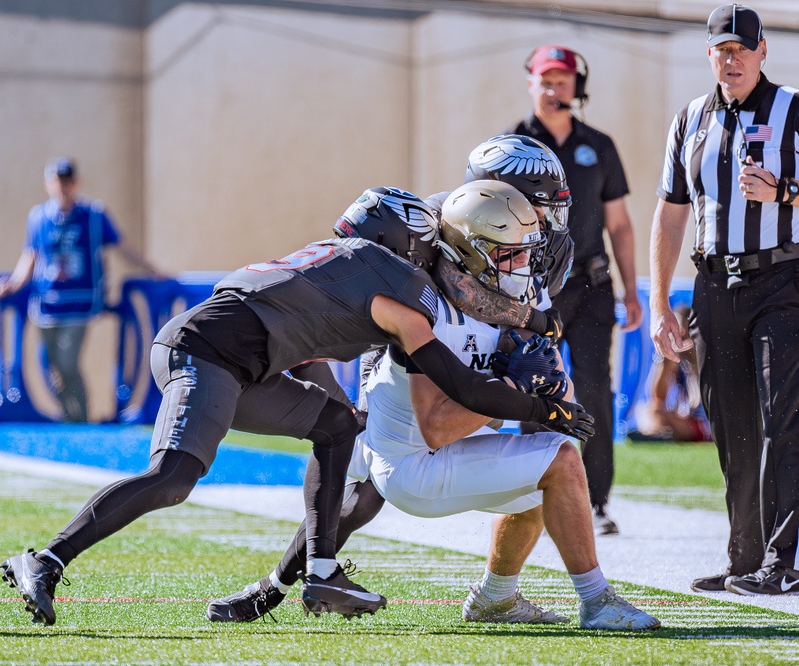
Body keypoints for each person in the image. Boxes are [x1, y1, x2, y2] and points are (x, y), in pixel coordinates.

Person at [0, 186, 592, 626]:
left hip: (237, 356)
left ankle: (318, 574)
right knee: (175, 476)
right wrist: (543, 406)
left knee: (336, 429)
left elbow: (295, 344)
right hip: (208, 357)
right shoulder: (394, 288)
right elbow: (460, 386)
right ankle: (46, 560)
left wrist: (345, 422)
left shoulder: (332, 267)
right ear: (402, 245)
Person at [209, 180, 660, 632]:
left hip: (433, 438)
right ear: (472, 249)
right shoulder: (421, 305)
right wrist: (511, 389)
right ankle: (597, 601)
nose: (525, 264)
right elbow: (437, 427)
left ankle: (495, 599)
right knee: (557, 461)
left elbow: (550, 387)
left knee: (548, 470)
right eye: (512, 252)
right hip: (414, 458)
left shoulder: (515, 292)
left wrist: (535, 387)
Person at [649, 4, 799, 596]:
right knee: (730, 423)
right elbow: (671, 214)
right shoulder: (690, 118)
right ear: (710, 54)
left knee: (783, 417)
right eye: (723, 49)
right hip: (714, 284)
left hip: (784, 281)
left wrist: (787, 191)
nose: (733, 58)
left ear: (763, 50)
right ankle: (745, 558)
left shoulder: (797, 109)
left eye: (743, 48)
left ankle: (789, 562)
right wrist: (662, 300)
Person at [505, 44, 642, 536]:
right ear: (530, 82)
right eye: (545, 79)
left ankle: (596, 502)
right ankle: (529, 493)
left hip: (590, 284)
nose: (553, 88)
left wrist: (631, 289)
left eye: (562, 80)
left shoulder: (599, 145)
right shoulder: (511, 144)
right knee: (531, 385)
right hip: (531, 290)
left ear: (576, 86)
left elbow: (620, 225)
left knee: (594, 391)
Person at [0, 157, 160, 422]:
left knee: (67, 362)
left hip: (81, 302)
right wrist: (13, 283)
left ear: (76, 183)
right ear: (48, 184)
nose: (63, 187)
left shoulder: (93, 215)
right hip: (47, 303)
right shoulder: (38, 217)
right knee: (49, 364)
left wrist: (150, 268)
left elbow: (121, 245)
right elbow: (30, 256)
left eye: (68, 181)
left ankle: (80, 419)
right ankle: (72, 417)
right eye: (58, 182)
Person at [626, 306, 709, 443]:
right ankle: (658, 435)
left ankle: (659, 434)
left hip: (702, 424)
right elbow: (657, 397)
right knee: (649, 410)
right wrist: (665, 361)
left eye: (680, 328)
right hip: (682, 420)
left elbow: (697, 400)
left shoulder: (703, 355)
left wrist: (692, 354)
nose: (679, 333)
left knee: (655, 413)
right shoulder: (677, 360)